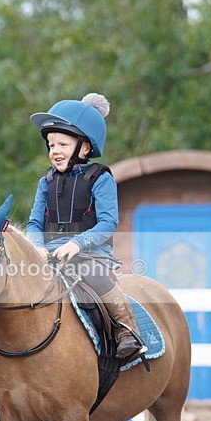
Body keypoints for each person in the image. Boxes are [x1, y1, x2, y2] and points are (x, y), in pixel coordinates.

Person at [26, 93, 142, 359]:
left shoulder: (100, 178)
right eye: (51, 145)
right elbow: (34, 222)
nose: (55, 151)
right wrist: (36, 246)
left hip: (90, 254)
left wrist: (77, 243)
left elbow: (108, 223)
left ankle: (126, 329)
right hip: (49, 255)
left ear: (85, 148)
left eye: (63, 144)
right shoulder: (45, 182)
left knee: (92, 273)